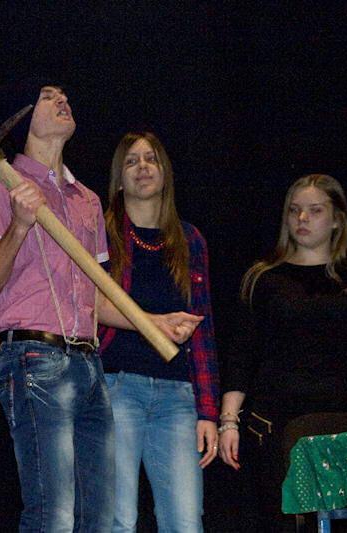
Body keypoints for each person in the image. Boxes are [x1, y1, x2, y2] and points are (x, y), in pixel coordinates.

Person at [0, 83, 202, 532]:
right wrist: (19, 226)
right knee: (53, 514)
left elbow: (93, 296)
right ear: (22, 118)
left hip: (89, 363)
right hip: (34, 358)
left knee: (96, 517)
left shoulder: (87, 200)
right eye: (48, 97)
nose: (62, 100)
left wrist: (153, 323)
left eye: (64, 96)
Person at [98, 132, 219, 532]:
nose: (142, 167)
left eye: (150, 159)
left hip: (177, 396)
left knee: (185, 521)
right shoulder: (102, 234)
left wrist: (208, 410)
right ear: (118, 179)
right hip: (117, 387)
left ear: (165, 172)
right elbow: (85, 308)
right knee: (119, 520)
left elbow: (202, 328)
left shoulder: (189, 239)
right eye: (131, 161)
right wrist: (153, 322)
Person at [218, 174, 347, 532]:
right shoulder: (264, 278)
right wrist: (228, 422)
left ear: (337, 218)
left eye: (314, 210)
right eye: (294, 211)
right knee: (284, 523)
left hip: (342, 424)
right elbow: (241, 354)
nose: (302, 219)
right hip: (278, 425)